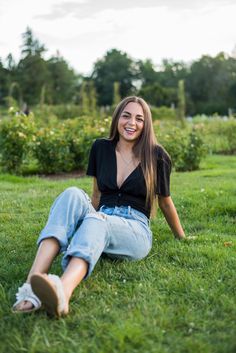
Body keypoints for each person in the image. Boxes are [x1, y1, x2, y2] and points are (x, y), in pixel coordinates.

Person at [12, 96, 185, 317]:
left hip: (135, 229)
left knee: (97, 219)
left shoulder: (157, 155)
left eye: (139, 119)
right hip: (102, 217)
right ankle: (31, 286)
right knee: (72, 194)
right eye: (126, 116)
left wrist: (181, 237)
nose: (132, 123)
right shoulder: (100, 147)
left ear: (146, 124)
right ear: (117, 118)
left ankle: (62, 292)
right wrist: (86, 222)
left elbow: (165, 202)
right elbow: (96, 194)